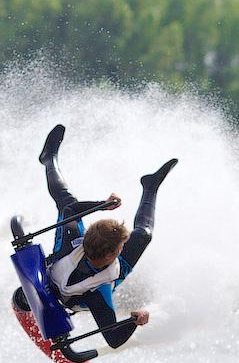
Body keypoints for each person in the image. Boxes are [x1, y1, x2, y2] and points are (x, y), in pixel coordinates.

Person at [39, 124, 176, 348]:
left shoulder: (72, 240)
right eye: (121, 246)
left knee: (67, 201)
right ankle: (150, 189)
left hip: (75, 264)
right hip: (75, 299)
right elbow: (113, 339)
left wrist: (101, 205)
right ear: (114, 254)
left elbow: (73, 211)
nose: (124, 246)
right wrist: (137, 320)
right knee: (143, 235)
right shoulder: (99, 292)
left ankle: (49, 159)